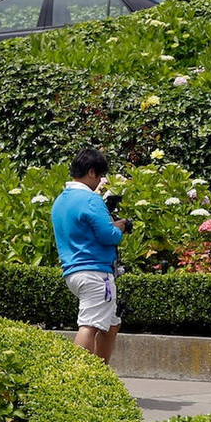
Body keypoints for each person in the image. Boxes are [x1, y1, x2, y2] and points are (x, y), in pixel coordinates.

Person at [50, 148, 132, 364]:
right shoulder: (90, 199)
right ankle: (79, 379)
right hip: (95, 273)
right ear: (92, 172)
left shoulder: (60, 201)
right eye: (100, 175)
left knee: (112, 323)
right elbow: (109, 236)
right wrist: (120, 227)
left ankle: (101, 375)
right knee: (90, 325)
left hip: (73, 272)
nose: (100, 181)